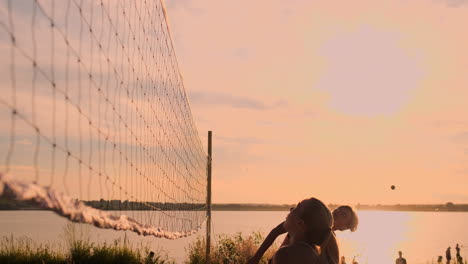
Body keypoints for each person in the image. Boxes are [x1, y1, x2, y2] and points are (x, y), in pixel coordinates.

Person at [247, 205, 358, 264]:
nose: (338, 212)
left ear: (345, 227)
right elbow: (276, 231)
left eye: (344, 214)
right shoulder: (309, 219)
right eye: (339, 209)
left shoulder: (332, 242)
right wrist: (256, 257)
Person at [269, 197, 339, 264]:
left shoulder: (286, 254)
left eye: (297, 207)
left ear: (300, 224)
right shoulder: (313, 253)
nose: (291, 209)